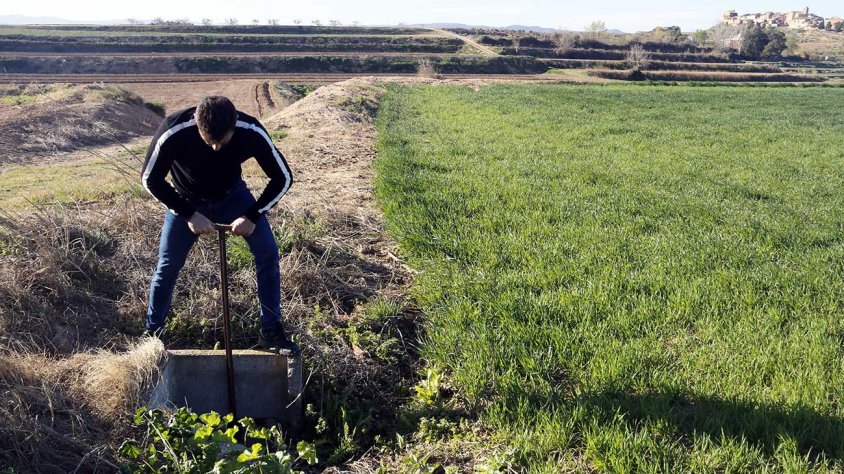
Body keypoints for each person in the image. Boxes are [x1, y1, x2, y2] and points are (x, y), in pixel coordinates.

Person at [141, 95, 297, 355]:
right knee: (167, 265)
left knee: (268, 253)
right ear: (196, 124)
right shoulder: (174, 130)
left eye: (222, 141)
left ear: (234, 125)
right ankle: (153, 332)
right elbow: (150, 179)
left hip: (232, 197)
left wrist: (252, 215)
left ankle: (270, 330)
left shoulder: (250, 131)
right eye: (208, 141)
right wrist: (189, 214)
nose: (215, 149)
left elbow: (283, 177)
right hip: (186, 201)